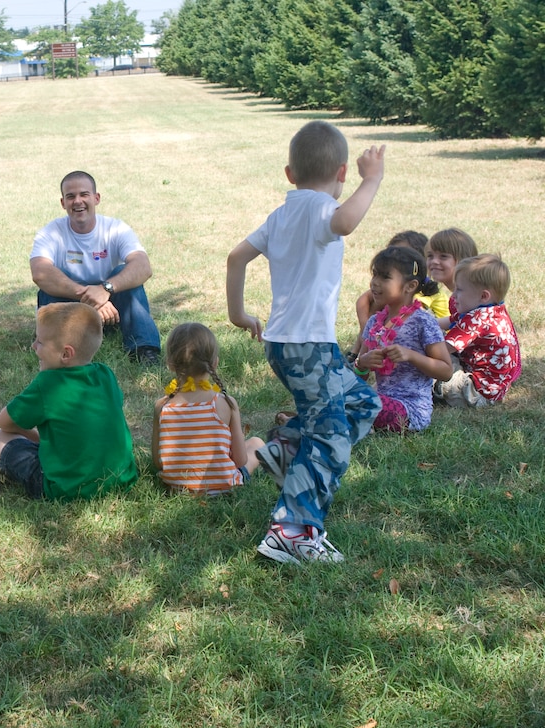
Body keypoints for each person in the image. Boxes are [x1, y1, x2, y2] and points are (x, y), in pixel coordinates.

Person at [226, 120, 385, 565]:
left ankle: (282, 454)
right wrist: (371, 178)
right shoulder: (319, 209)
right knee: (331, 438)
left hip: (287, 343)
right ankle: (293, 530)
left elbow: (236, 256)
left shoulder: (282, 214)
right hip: (308, 347)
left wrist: (238, 314)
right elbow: (347, 220)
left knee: (361, 404)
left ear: (289, 173)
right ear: (341, 172)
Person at [0, 302, 138, 501]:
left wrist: (29, 434)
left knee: (0, 438)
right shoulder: (106, 374)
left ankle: (17, 476)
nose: (33, 346)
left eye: (40, 342)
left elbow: (4, 422)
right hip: (121, 480)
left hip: (65, 489)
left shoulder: (48, 384)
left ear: (66, 354)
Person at [30, 170, 162, 365]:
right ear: (63, 203)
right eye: (70, 196)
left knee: (123, 274)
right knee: (55, 279)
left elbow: (143, 267)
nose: (78, 201)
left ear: (96, 198)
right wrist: (91, 297)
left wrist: (105, 289)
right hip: (72, 311)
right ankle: (54, 346)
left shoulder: (116, 228)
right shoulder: (51, 232)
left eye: (84, 194)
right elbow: (40, 273)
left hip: (112, 313)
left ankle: (144, 349)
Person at [152, 323, 264, 496]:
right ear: (215, 363)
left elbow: (159, 462)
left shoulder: (162, 406)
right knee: (256, 443)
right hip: (224, 487)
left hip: (177, 488)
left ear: (170, 364)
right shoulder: (226, 403)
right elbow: (240, 460)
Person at [353, 246, 452, 432]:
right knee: (340, 390)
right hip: (378, 399)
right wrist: (362, 364)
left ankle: (317, 422)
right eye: (374, 275)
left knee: (357, 402)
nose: (374, 283)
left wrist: (412, 355)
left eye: (384, 277)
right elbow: (360, 376)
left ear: (410, 286)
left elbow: (446, 371)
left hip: (409, 410)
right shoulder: (374, 322)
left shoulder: (423, 322)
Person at [434, 254, 521, 407]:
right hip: (494, 389)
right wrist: (429, 323)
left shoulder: (478, 319)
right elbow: (451, 321)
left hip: (474, 392)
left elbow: (442, 349)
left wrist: (412, 346)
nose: (453, 295)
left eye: (459, 290)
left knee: (431, 363)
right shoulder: (494, 309)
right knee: (433, 333)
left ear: (483, 296)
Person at [424, 228, 479, 331]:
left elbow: (465, 331)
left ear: (463, 260)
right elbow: (454, 320)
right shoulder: (459, 295)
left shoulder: (469, 297)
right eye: (430, 256)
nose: (434, 261)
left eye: (443, 256)